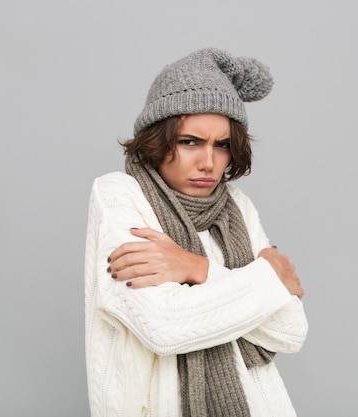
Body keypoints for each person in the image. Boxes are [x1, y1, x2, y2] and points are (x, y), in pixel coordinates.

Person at [84, 47, 308, 417]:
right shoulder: (119, 195)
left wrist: (195, 269)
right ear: (157, 139)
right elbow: (164, 326)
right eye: (190, 142)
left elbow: (290, 330)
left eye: (222, 145)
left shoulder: (236, 205)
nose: (208, 162)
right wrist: (267, 280)